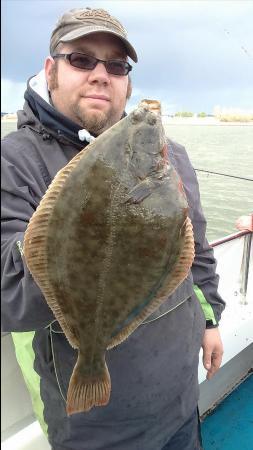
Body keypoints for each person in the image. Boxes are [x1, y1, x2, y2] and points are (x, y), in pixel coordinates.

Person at [1, 7, 225, 450]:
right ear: (51, 70)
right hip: (96, 427)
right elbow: (6, 295)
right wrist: (78, 228)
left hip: (180, 394)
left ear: (128, 81)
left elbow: (193, 249)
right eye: (81, 59)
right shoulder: (14, 161)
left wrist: (209, 317)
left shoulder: (169, 156)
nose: (101, 74)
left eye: (116, 65)